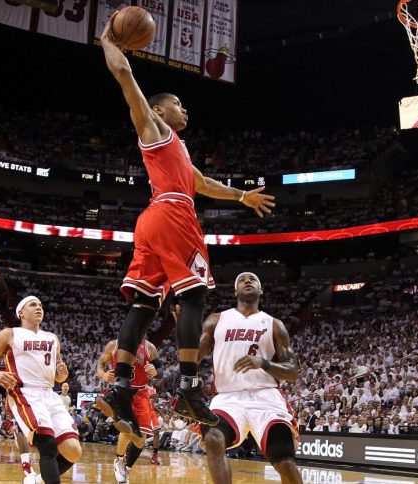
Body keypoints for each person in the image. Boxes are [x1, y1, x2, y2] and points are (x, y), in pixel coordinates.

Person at [97, 12, 276, 444]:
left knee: (143, 307)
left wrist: (240, 196)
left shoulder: (176, 147)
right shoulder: (154, 126)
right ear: (160, 109)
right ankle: (190, 387)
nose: (185, 108)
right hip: (174, 215)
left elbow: (203, 183)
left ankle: (121, 386)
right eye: (178, 102)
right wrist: (108, 40)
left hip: (152, 220)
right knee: (194, 294)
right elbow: (123, 74)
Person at [199, 272, 303, 484]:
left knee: (285, 463)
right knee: (213, 439)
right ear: (235, 291)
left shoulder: (274, 324)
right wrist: (184, 332)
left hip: (266, 397)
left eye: (253, 279)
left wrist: (263, 363)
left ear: (260, 290)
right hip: (228, 398)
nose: (248, 281)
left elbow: (292, 372)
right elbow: (194, 357)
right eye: (242, 280)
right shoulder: (216, 320)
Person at [0, 296, 81, 484]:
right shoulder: (10, 334)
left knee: (73, 451)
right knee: (48, 445)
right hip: (25, 393)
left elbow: (58, 376)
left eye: (40, 305)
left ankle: (36, 481)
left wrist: (61, 375)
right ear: (21, 313)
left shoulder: (52, 338)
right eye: (33, 305)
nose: (39, 307)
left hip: (49, 393)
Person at [95, 338, 164, 484]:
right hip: (122, 391)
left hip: (141, 393)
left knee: (140, 440)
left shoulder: (149, 347)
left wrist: (155, 372)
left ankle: (126, 468)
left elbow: (160, 370)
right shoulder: (115, 345)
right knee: (128, 429)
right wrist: (103, 375)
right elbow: (101, 364)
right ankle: (119, 459)